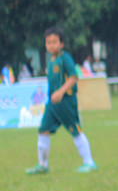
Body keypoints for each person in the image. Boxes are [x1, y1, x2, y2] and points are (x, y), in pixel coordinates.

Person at [25, 27, 97, 174]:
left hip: (66, 102)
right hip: (52, 104)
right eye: (48, 42)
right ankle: (43, 165)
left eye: (54, 42)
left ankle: (89, 162)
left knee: (75, 130)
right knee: (43, 130)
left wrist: (61, 92)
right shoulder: (51, 61)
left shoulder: (65, 58)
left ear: (61, 44)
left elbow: (73, 77)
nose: (51, 45)